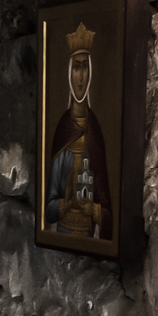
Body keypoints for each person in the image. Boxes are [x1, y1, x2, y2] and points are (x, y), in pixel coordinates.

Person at [43, 24, 114, 240]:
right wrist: (66, 204)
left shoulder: (95, 131)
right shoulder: (62, 128)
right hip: (63, 232)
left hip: (87, 233)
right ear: (69, 72)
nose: (80, 77)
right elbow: (48, 209)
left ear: (90, 71)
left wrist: (93, 211)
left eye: (84, 67)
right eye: (76, 67)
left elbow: (107, 209)